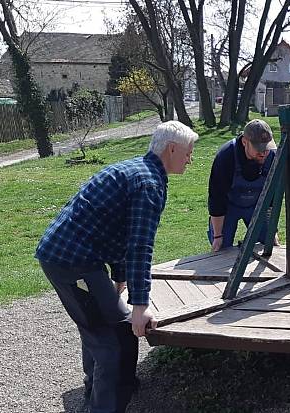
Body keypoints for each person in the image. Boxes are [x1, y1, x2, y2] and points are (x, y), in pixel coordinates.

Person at [35, 121, 198, 412]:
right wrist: (140, 304)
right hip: (71, 262)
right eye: (188, 152)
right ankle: (101, 404)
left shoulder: (138, 170)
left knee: (107, 325)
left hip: (69, 255)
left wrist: (120, 280)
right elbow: (139, 246)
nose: (191, 158)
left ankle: (105, 388)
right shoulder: (148, 184)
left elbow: (118, 231)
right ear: (172, 149)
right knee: (108, 338)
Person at [207, 119, 278, 252]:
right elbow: (217, 198)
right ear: (245, 142)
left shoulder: (273, 156)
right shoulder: (226, 156)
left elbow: (273, 197)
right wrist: (217, 236)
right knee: (221, 249)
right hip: (227, 207)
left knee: (270, 245)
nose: (263, 153)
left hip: (258, 205)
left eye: (266, 148)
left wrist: (272, 230)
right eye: (259, 149)